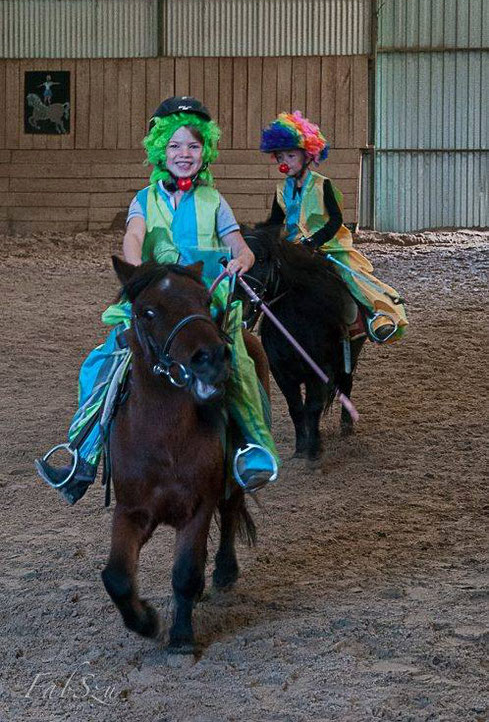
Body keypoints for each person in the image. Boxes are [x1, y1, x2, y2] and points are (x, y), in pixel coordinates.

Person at [35, 96, 279, 504]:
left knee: (238, 362)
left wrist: (242, 259)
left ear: (206, 152)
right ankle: (83, 455)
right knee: (104, 360)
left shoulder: (214, 201)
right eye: (175, 146)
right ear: (160, 151)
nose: (185, 155)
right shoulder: (144, 200)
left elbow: (240, 245)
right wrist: (137, 270)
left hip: (203, 299)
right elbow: (134, 234)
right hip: (159, 298)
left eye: (194, 146)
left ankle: (254, 450)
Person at [260, 111, 408, 343]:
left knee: (350, 274)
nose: (284, 162)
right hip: (292, 248)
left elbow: (336, 220)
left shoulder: (322, 185)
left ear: (308, 155)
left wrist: (315, 241)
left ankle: (376, 316)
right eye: (280, 157)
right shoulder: (280, 189)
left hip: (328, 246)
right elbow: (275, 222)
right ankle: (252, 319)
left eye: (290, 155)